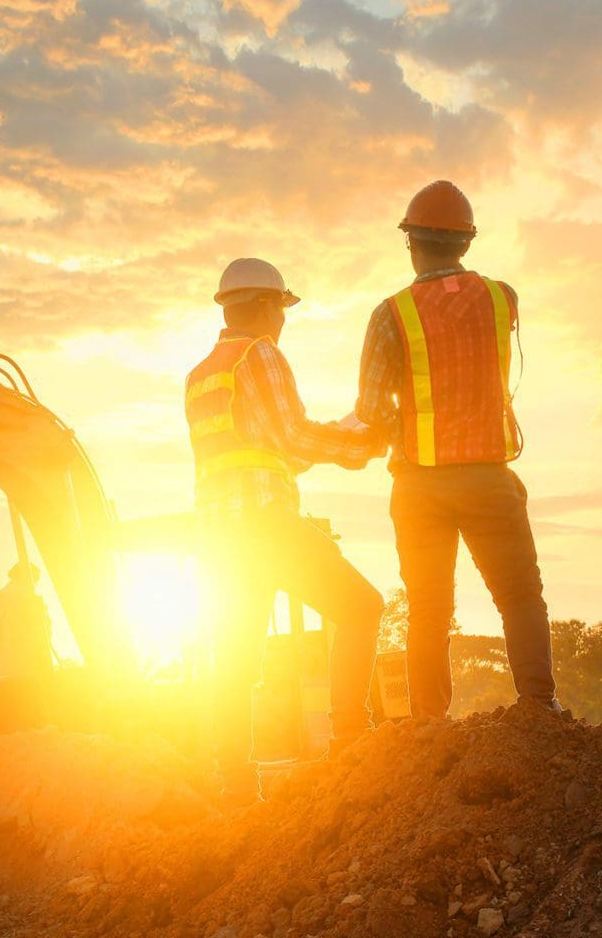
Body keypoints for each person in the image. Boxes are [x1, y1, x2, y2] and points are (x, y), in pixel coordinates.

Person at [355, 180, 559, 718]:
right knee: (519, 596)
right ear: (467, 242)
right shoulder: (502, 297)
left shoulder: (389, 315)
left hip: (419, 484)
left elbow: (373, 412)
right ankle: (540, 709)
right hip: (489, 477)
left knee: (427, 608)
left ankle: (427, 725)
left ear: (410, 243)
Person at [186, 257, 385, 803]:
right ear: (266, 306)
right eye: (282, 308)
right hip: (266, 525)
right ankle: (349, 734)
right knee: (363, 607)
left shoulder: (203, 373)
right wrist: (361, 442)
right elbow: (294, 440)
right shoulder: (262, 355)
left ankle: (236, 785)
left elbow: (263, 452)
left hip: (218, 537)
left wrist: (330, 442)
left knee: (235, 656)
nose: (283, 320)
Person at [0, 562, 55, 735]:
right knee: (27, 732)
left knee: (1, 731)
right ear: (29, 577)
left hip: (0, 671)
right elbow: (38, 633)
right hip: (24, 672)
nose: (36, 584)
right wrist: (43, 614)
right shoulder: (27, 598)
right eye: (35, 580)